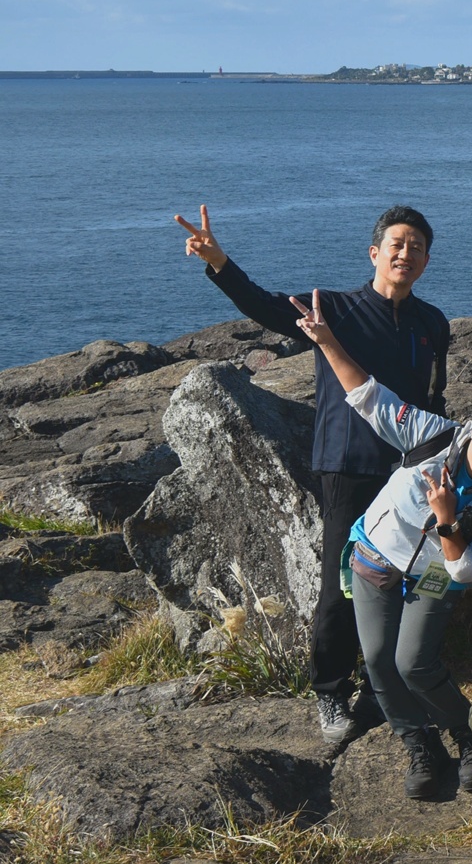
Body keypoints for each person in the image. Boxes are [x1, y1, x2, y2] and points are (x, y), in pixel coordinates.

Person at [174, 203, 451, 744]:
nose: (406, 252)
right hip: (346, 466)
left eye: (416, 247)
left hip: (406, 473)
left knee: (402, 578)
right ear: (375, 253)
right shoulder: (335, 309)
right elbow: (267, 308)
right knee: (340, 585)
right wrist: (218, 261)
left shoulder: (432, 322)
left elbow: (432, 397)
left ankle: (381, 685)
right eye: (396, 243)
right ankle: (329, 691)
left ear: (425, 262)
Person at [289, 290, 472, 801]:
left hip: (438, 572)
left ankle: (467, 738)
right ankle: (419, 746)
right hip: (376, 556)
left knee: (414, 664)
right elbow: (370, 397)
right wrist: (328, 339)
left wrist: (447, 523)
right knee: (378, 659)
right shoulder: (433, 435)